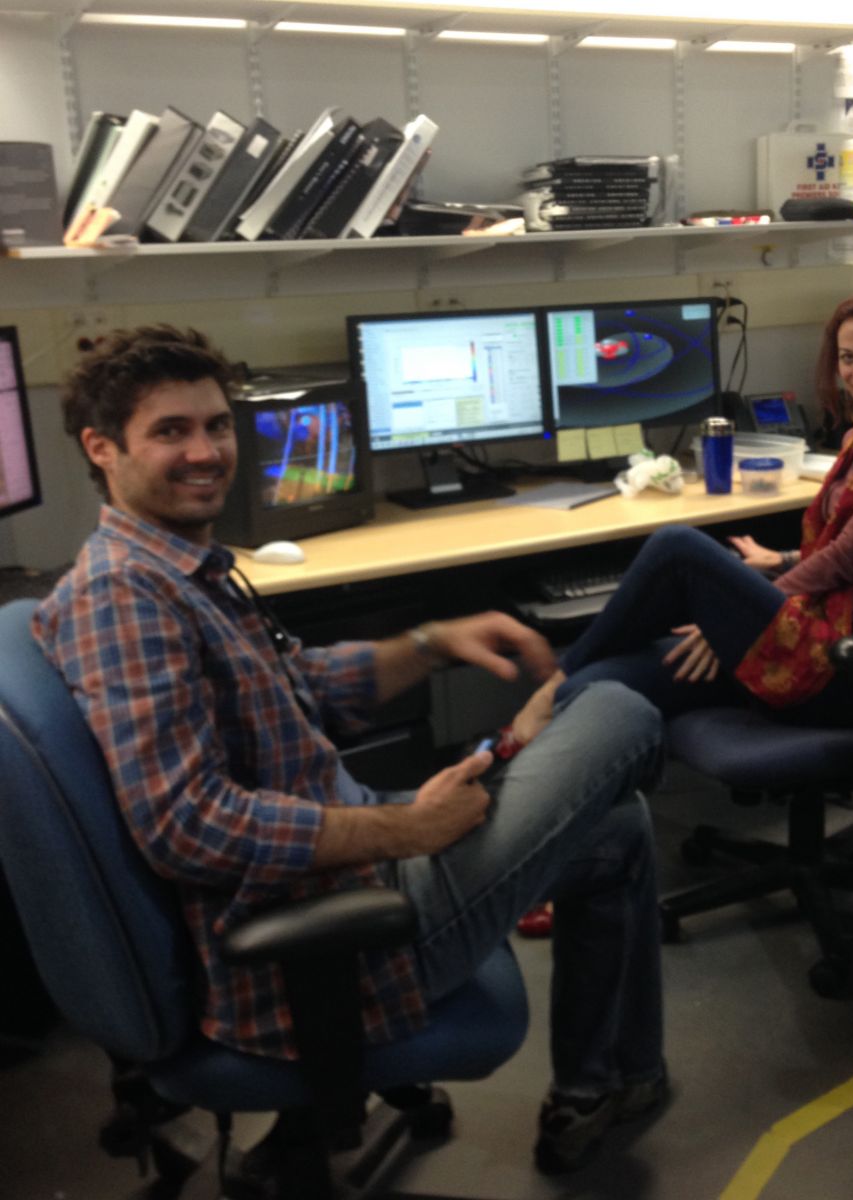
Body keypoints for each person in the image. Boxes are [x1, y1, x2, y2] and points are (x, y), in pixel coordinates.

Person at [31, 325, 668, 1177]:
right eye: (170, 432)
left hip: (358, 863)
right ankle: (522, 759)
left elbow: (304, 683)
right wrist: (411, 833)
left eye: (217, 426)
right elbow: (184, 825)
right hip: (334, 935)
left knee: (617, 827)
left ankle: (607, 1082)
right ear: (102, 449)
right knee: (621, 707)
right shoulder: (125, 599)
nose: (206, 451)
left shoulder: (183, 573)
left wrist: (435, 641)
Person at [510, 284, 853, 743]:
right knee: (600, 682)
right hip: (812, 628)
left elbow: (849, 556)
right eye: (847, 357)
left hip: (847, 671)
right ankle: (545, 729)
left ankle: (550, 687)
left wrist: (736, 615)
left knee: (677, 546)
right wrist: (782, 562)